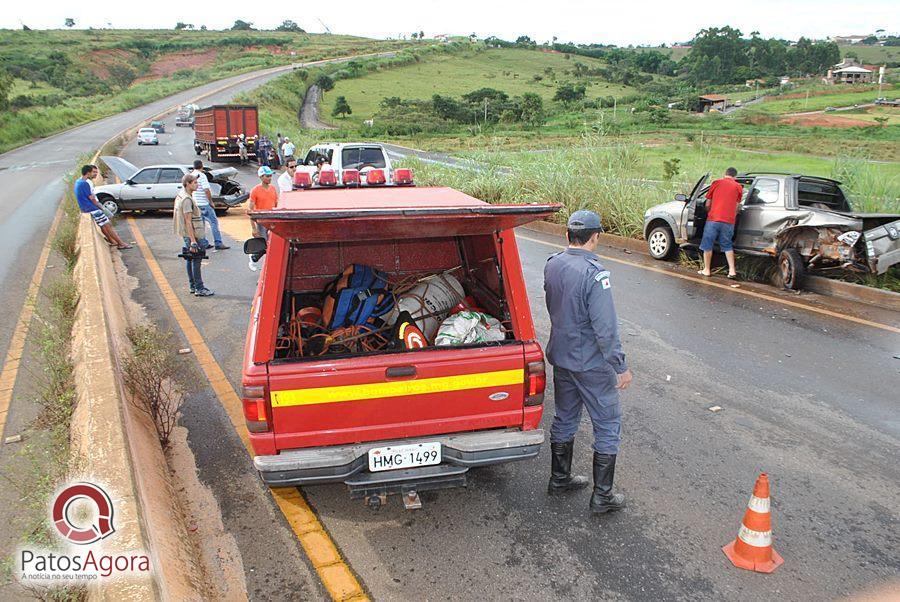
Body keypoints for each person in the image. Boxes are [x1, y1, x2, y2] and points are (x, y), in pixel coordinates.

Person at [543, 209, 633, 514]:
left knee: (565, 416)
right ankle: (602, 497)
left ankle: (560, 479)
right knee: (607, 424)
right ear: (595, 237)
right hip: (591, 363)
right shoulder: (595, 274)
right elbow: (605, 328)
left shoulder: (553, 264)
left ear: (567, 235)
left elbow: (553, 306)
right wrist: (620, 366)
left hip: (561, 356)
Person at [173, 173, 213, 296]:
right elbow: (188, 222)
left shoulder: (182, 195)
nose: (197, 184)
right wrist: (193, 241)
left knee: (190, 259)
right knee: (196, 260)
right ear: (188, 184)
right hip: (193, 235)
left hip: (189, 234)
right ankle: (199, 288)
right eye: (194, 182)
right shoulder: (186, 200)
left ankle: (193, 285)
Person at [699, 167, 742, 280]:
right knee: (727, 245)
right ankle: (732, 271)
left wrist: (710, 212)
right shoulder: (738, 187)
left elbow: (708, 203)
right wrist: (733, 216)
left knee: (708, 244)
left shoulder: (716, 183)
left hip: (713, 219)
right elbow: (737, 207)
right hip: (729, 221)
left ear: (725, 174)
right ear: (735, 176)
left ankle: (706, 270)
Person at [74, 164, 131, 250]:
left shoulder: (78, 182)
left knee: (103, 225)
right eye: (93, 172)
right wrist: (102, 208)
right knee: (108, 225)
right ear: (88, 173)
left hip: (86, 208)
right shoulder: (85, 183)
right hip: (92, 208)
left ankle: (112, 241)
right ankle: (121, 243)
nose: (95, 174)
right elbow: (92, 198)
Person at [190, 159, 229, 251]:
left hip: (196, 204)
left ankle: (203, 242)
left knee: (200, 224)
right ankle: (218, 242)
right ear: (202, 166)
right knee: (214, 223)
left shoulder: (191, 176)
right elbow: (206, 190)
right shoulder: (202, 176)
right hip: (204, 203)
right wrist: (211, 202)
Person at [248, 166, 279, 271]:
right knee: (264, 245)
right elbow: (251, 211)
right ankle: (254, 257)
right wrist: (253, 228)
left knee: (273, 245)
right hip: (261, 222)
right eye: (267, 176)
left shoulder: (273, 189)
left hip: (272, 220)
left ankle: (268, 265)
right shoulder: (255, 191)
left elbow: (276, 204)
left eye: (270, 176)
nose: (270, 178)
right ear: (261, 177)